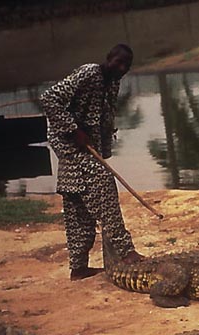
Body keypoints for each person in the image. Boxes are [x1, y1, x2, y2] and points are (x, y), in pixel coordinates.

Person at [40, 43, 144, 281]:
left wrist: (102, 148)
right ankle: (125, 252)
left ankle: (78, 268)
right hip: (72, 148)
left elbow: (104, 117)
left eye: (126, 65)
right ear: (108, 58)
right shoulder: (88, 73)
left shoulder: (113, 83)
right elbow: (49, 99)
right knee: (105, 190)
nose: (121, 68)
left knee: (78, 207)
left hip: (87, 150)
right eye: (118, 62)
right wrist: (73, 130)